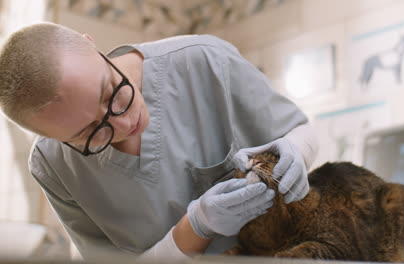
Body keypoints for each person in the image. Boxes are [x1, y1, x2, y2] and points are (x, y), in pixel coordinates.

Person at [0, 22, 317, 261]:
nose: (124, 123)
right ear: (53, 139)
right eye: (89, 132)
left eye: (111, 92)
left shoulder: (204, 60)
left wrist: (296, 150)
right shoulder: (53, 166)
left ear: (92, 46)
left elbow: (302, 130)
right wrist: (194, 227)